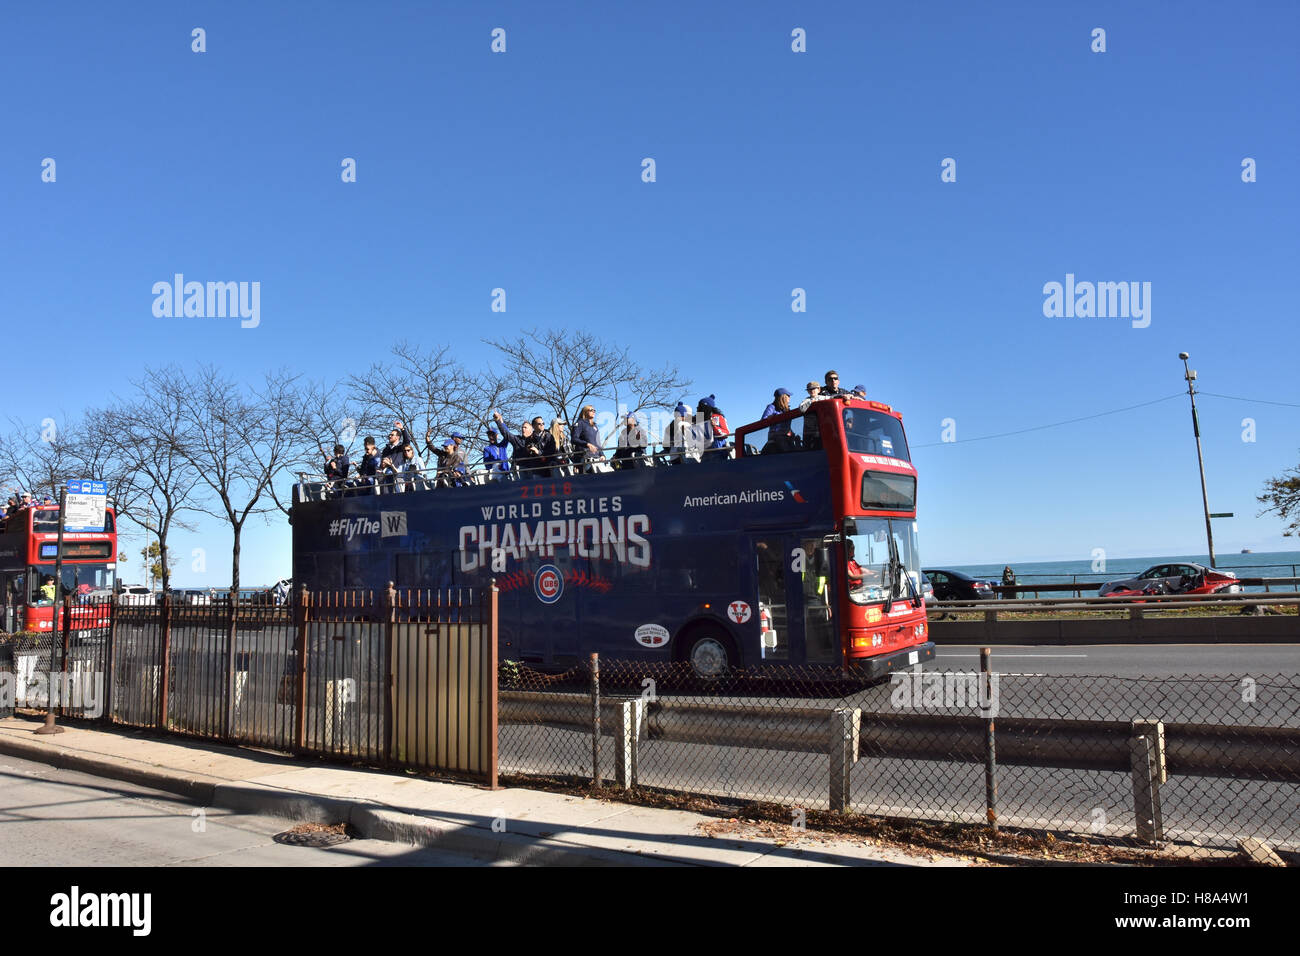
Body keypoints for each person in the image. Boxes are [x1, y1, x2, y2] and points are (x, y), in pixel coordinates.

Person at [761, 388, 795, 454]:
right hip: (776, 437)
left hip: (786, 437)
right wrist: (771, 418)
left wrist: (792, 432)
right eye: (788, 396)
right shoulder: (772, 407)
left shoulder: (787, 409)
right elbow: (763, 420)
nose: (789, 398)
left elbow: (787, 425)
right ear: (783, 397)